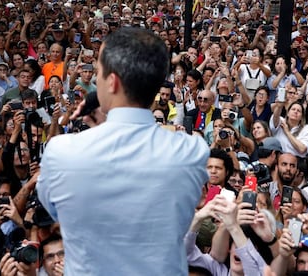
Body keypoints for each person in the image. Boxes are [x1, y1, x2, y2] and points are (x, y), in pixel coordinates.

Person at [37, 27, 210, 275]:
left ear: (112, 81)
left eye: (98, 72)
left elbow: (54, 208)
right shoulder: (192, 152)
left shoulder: (62, 153)